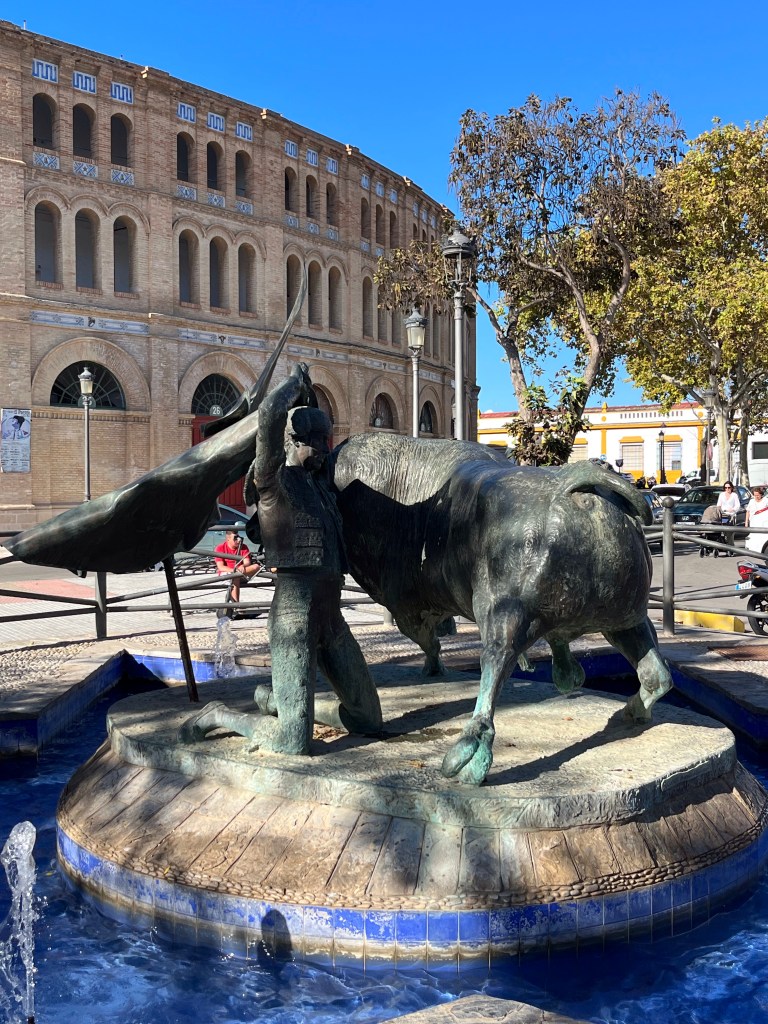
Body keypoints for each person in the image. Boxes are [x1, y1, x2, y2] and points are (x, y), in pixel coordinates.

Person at [180, 363, 383, 754]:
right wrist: (294, 384)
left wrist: (310, 398)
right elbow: (271, 415)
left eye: (326, 441)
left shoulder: (319, 485)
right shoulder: (272, 482)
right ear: (292, 442)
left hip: (331, 615)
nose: (325, 450)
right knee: (293, 743)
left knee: (367, 718)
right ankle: (218, 714)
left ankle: (282, 706)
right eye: (317, 443)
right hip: (295, 615)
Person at [214, 528, 260, 604]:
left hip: (242, 573)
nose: (238, 540)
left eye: (238, 537)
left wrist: (243, 566)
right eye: (235, 538)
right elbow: (221, 567)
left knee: (256, 567)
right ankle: (236, 605)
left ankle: (235, 604)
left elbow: (247, 562)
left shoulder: (243, 547)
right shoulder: (220, 548)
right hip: (227, 574)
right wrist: (235, 570)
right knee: (235, 576)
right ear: (228, 539)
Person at [745, 484, 768, 554]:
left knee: (762, 537)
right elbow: (748, 511)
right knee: (754, 536)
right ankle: (754, 550)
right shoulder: (751, 501)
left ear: (761, 494)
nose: (756, 497)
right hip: (753, 522)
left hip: (763, 523)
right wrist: (746, 522)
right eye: (755, 495)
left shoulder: (765, 500)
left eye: (758, 495)